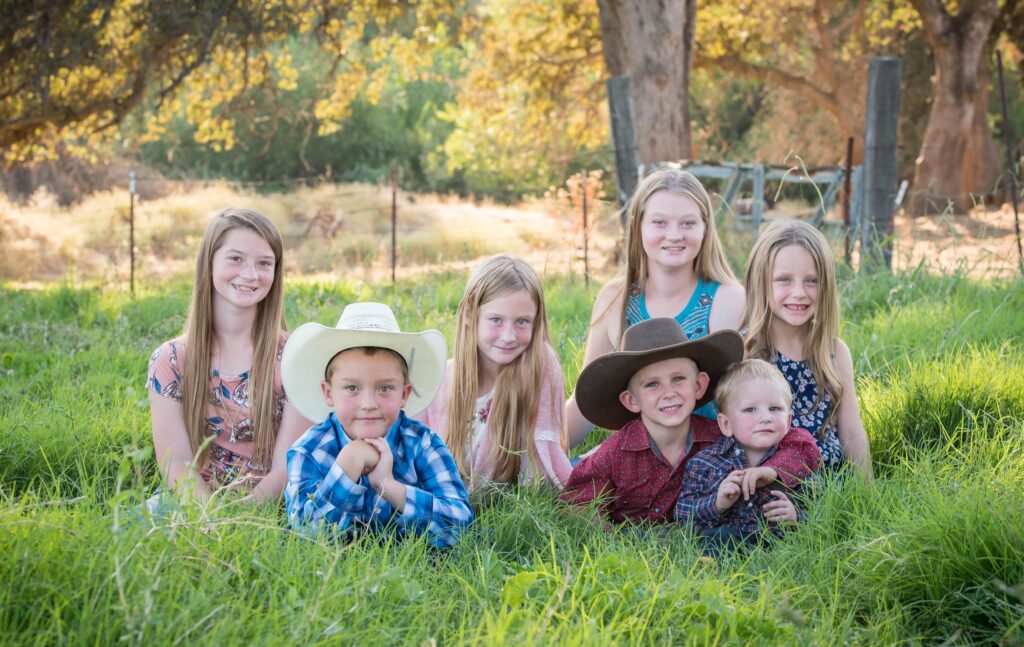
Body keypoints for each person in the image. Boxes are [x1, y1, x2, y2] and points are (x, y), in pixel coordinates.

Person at [560, 318, 820, 524]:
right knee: (571, 470)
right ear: (631, 400)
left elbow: (799, 444)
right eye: (652, 384)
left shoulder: (719, 438)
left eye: (678, 379)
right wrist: (612, 540)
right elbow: (578, 504)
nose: (668, 393)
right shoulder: (615, 453)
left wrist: (772, 471)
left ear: (699, 385)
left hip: (690, 528)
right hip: (632, 534)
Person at [565, 168, 745, 447]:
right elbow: (587, 397)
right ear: (638, 226)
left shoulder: (728, 298)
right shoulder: (616, 298)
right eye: (659, 222)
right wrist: (543, 454)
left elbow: (745, 397)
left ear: (705, 227)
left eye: (688, 223)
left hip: (708, 455)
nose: (674, 235)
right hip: (635, 456)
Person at [146, 207, 312, 506]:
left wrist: (240, 517)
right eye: (236, 259)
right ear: (209, 262)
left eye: (264, 263)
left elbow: (288, 466)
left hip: (273, 508)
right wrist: (209, 516)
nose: (250, 274)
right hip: (191, 503)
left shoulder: (294, 358)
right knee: (114, 535)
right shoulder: (170, 360)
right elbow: (177, 463)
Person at [282, 302, 472, 548]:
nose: (369, 403)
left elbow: (461, 529)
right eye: (352, 388)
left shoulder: (424, 445)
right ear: (328, 393)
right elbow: (303, 537)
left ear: (404, 394)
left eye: (385, 388)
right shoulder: (309, 451)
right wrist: (346, 468)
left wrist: (389, 487)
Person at [416, 255, 571, 490]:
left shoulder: (538, 366)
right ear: (470, 314)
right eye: (496, 320)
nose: (509, 336)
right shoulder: (441, 379)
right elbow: (414, 456)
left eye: (522, 322)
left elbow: (542, 464)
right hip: (448, 501)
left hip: (505, 501)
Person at [741, 220, 873, 479]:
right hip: (770, 482)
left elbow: (852, 432)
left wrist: (870, 493)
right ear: (761, 282)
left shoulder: (833, 352)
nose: (799, 293)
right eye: (784, 280)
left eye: (811, 281)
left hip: (830, 486)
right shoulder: (747, 351)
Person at [676, 359, 821, 552]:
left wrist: (797, 516)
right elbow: (681, 513)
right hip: (722, 545)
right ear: (726, 424)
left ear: (788, 421)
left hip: (780, 549)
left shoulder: (795, 461)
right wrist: (717, 503)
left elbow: (821, 510)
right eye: (750, 410)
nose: (765, 417)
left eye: (774, 408)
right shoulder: (704, 463)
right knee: (714, 541)